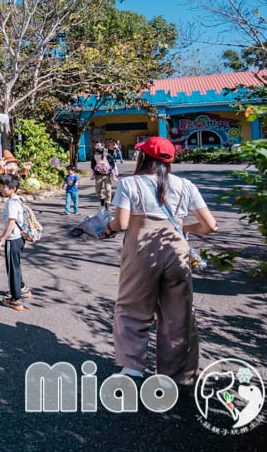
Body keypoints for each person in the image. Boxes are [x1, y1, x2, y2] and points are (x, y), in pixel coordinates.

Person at [99, 136, 218, 386]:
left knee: (133, 307)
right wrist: (183, 228)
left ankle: (132, 367)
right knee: (179, 313)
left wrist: (106, 229)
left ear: (143, 157)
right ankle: (175, 375)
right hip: (176, 249)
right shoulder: (186, 185)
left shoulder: (131, 184)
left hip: (141, 248)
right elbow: (210, 225)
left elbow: (121, 223)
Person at [0, 174, 31, 311]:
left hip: (12, 239)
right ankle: (22, 288)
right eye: (1, 186)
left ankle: (15, 299)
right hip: (20, 238)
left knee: (12, 269)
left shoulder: (12, 203)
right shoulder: (18, 199)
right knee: (16, 264)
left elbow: (11, 223)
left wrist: (1, 239)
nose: (1, 189)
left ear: (13, 189)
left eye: (4, 187)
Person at [91, 144, 116, 210]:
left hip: (107, 175)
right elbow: (92, 165)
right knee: (97, 190)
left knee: (108, 189)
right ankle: (102, 198)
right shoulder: (94, 157)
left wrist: (108, 169)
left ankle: (107, 203)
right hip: (98, 175)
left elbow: (112, 165)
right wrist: (98, 169)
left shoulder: (108, 156)